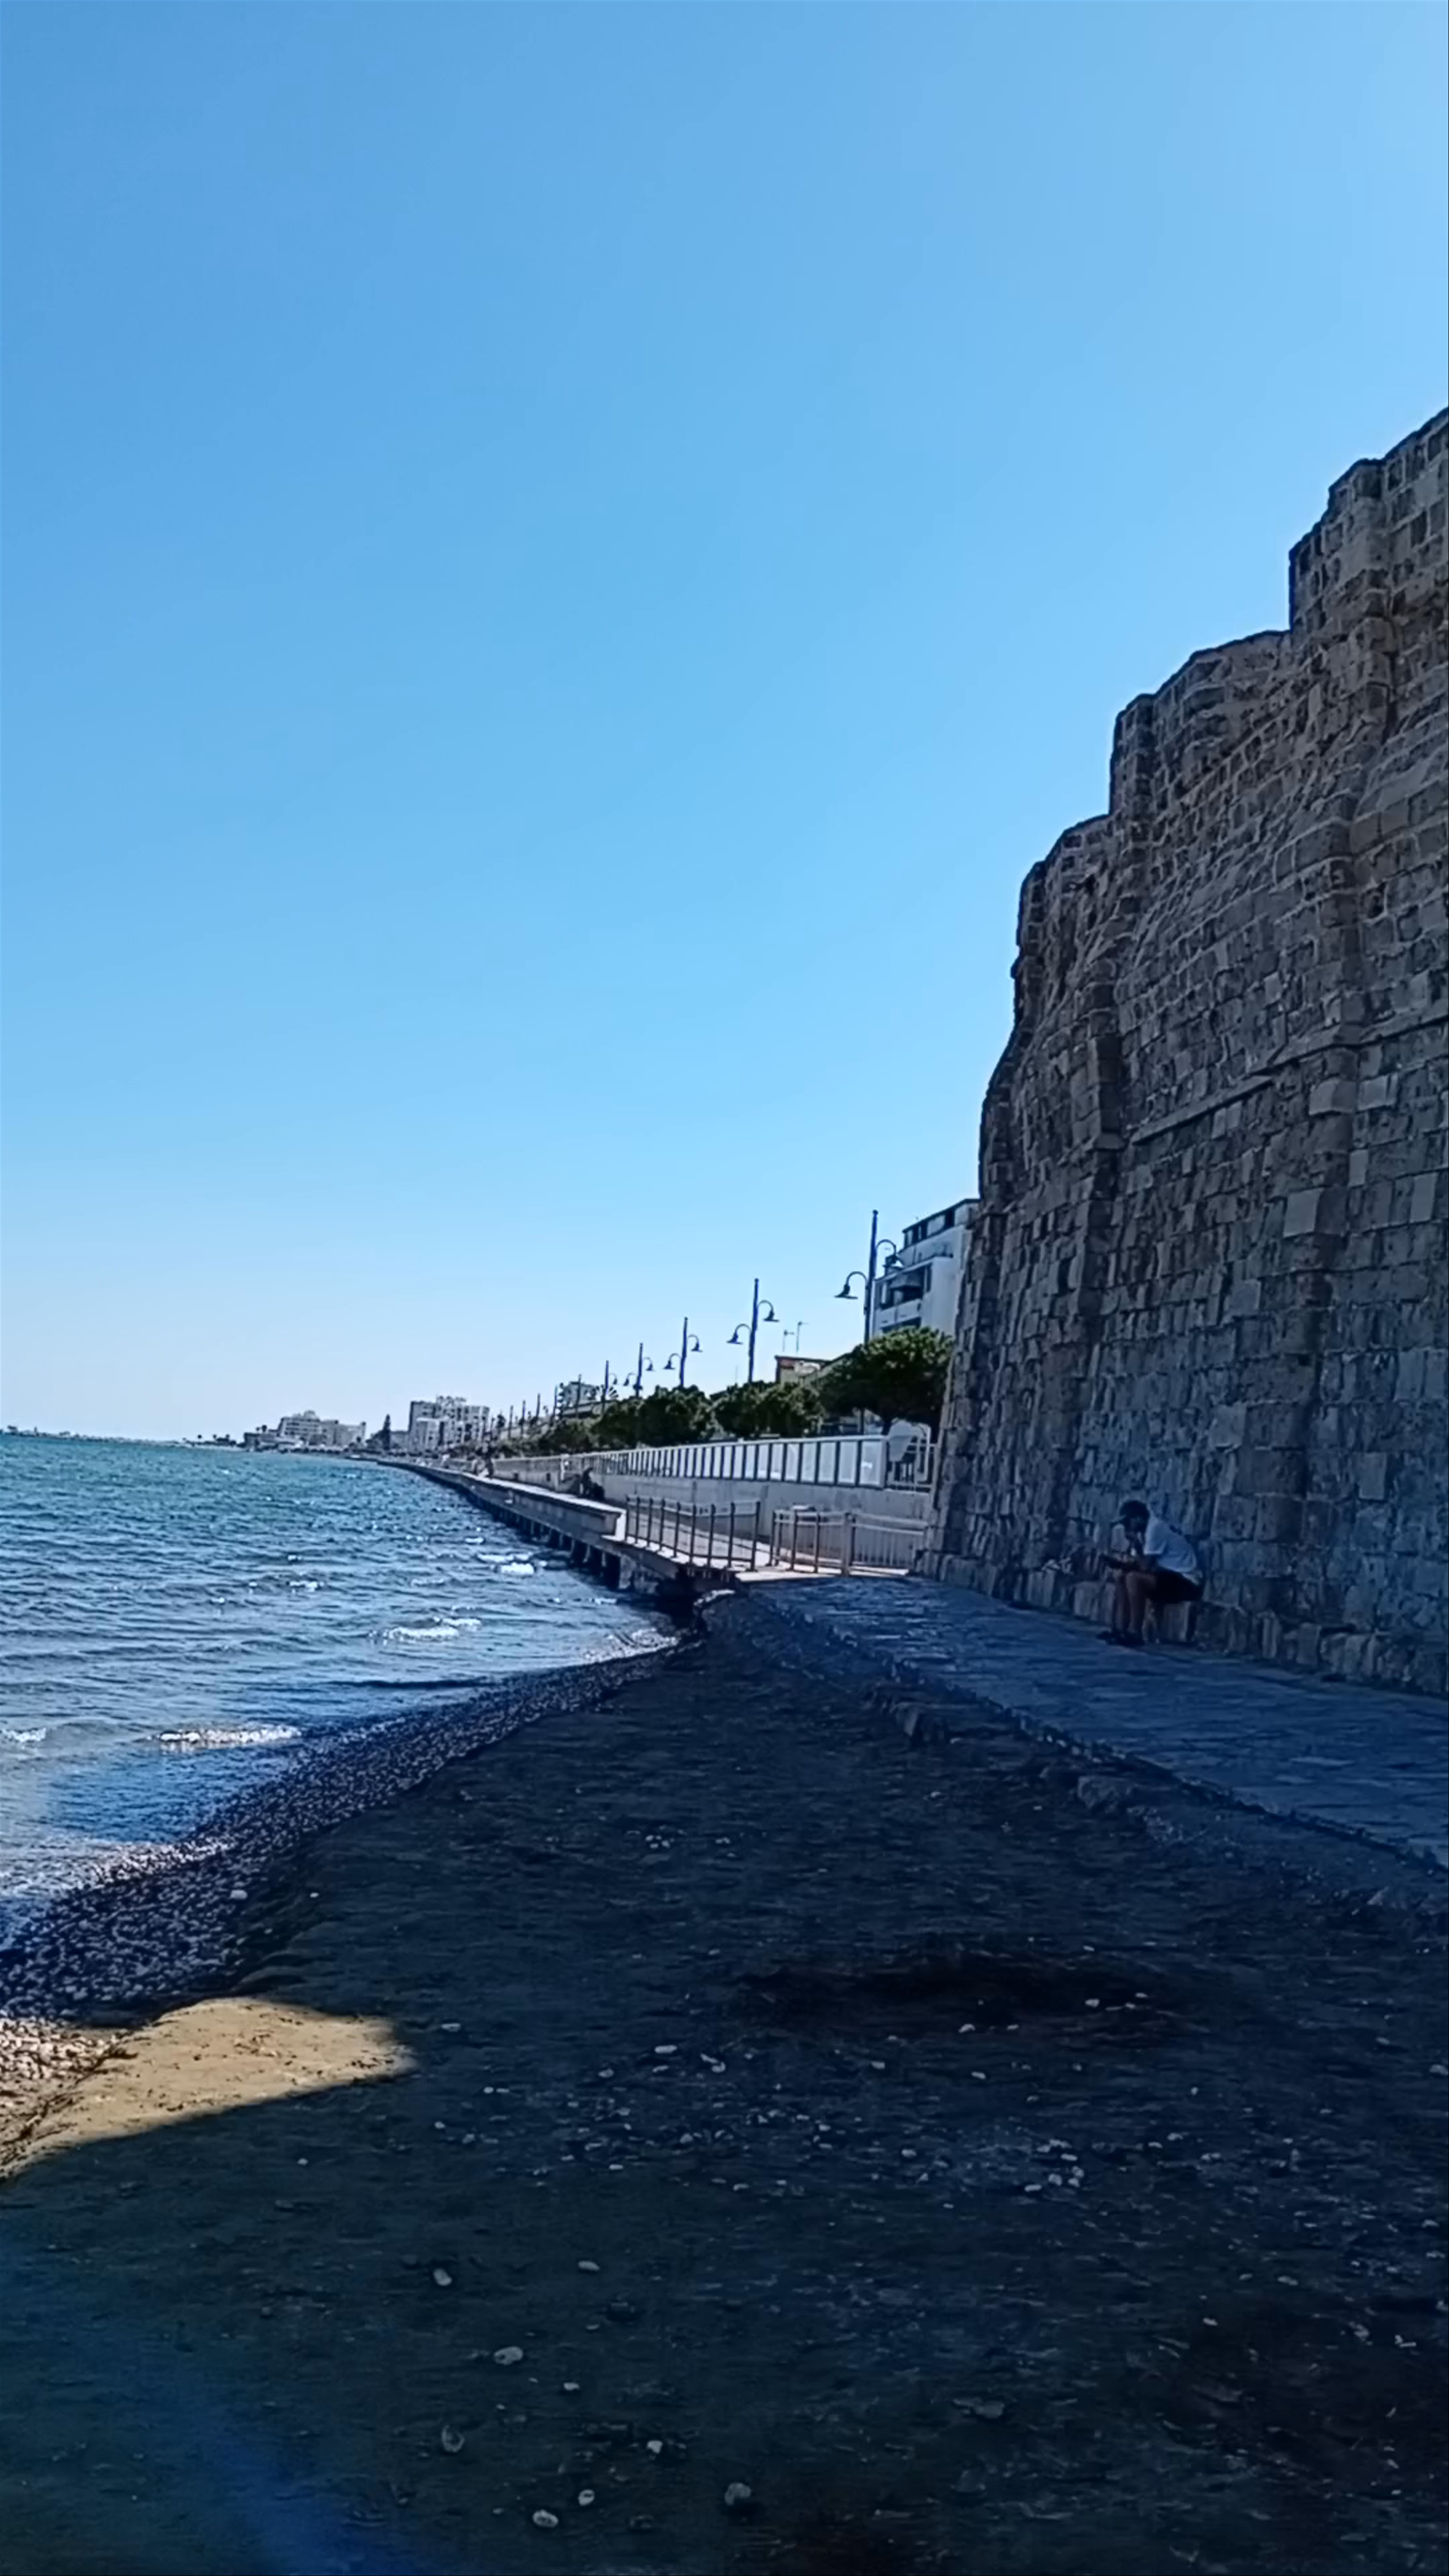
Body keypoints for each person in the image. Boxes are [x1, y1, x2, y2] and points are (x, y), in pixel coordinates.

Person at [1102, 1498, 1202, 1648]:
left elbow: (1145, 1567)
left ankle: (1135, 1633)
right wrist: (1120, 1565)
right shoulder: (1143, 1533)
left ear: (1138, 1519)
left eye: (1127, 1522)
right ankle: (1120, 1630)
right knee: (1122, 1577)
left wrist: (1135, 1544)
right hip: (1167, 1576)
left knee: (1134, 1579)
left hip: (1186, 1581)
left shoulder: (1155, 1529)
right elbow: (1138, 1564)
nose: (1125, 1527)